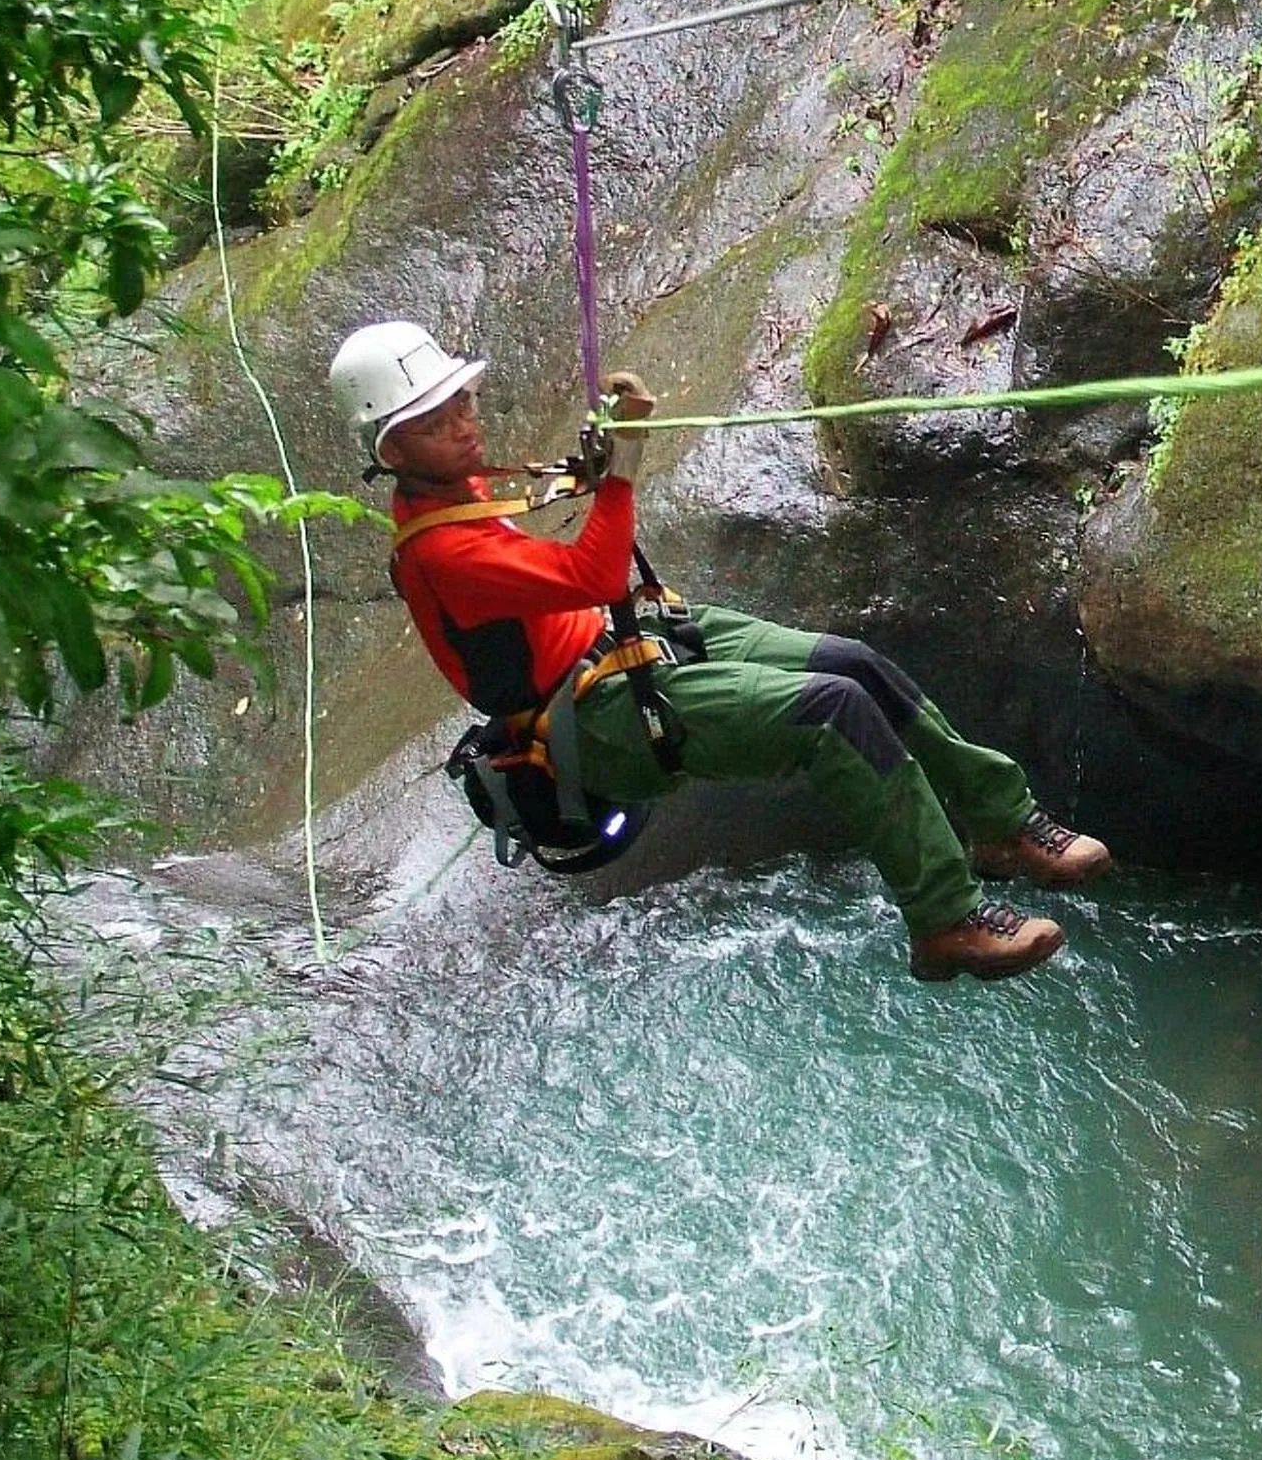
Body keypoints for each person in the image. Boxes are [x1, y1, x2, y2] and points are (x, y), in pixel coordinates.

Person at [327, 321, 1110, 981]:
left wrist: (596, 461)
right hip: (592, 715)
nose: (464, 423)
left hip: (628, 643)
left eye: (461, 402)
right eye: (436, 420)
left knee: (852, 662)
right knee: (833, 713)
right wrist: (623, 469)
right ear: (392, 450)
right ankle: (947, 922)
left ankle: (1004, 822)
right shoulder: (439, 553)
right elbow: (594, 572)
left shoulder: (458, 488)